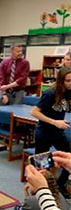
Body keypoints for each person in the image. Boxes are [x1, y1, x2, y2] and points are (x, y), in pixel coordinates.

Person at [31, 66, 71, 196]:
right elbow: (34, 112)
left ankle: (60, 185)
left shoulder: (68, 92)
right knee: (42, 165)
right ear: (61, 81)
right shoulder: (50, 93)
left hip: (58, 134)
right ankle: (40, 191)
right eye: (68, 81)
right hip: (44, 134)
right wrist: (55, 122)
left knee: (69, 158)